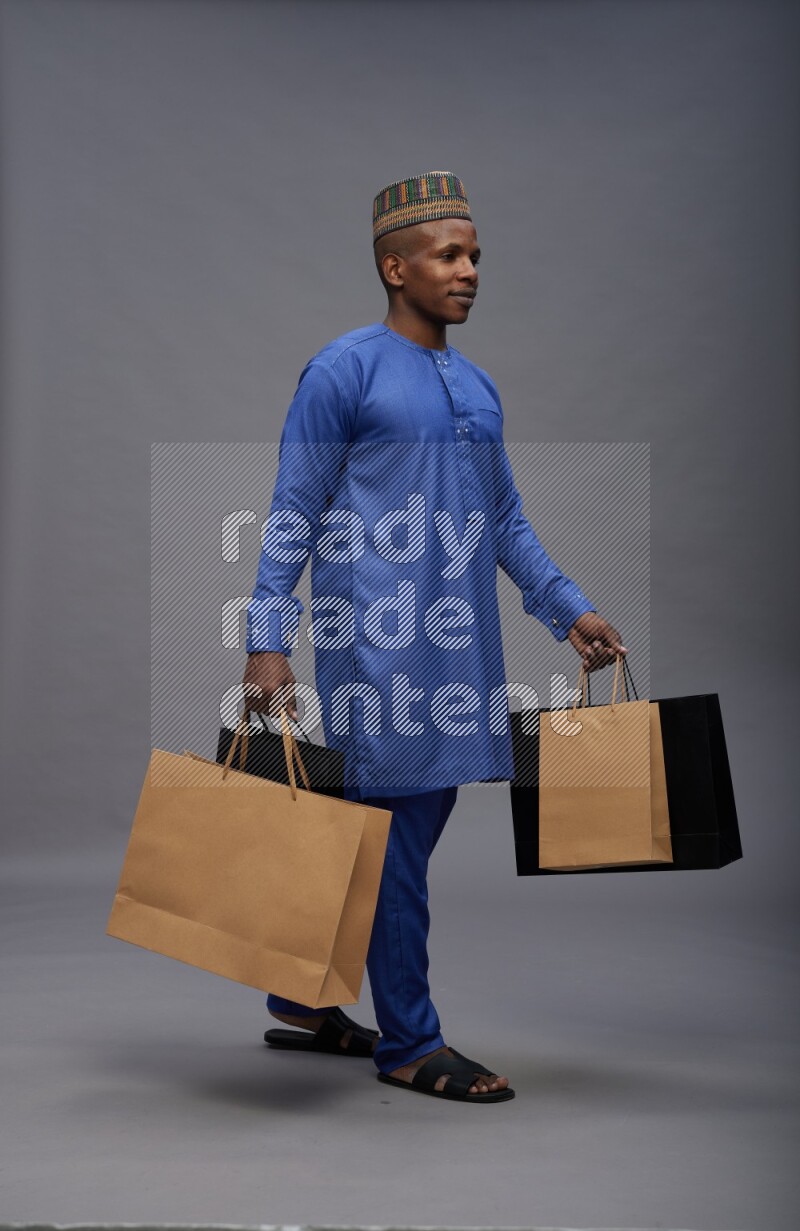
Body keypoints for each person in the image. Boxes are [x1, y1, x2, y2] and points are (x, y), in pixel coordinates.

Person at [241, 172, 626, 1104]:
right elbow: (294, 510)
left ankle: (301, 995)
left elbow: (504, 520)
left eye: (476, 256)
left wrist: (566, 607)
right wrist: (266, 635)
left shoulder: (477, 387)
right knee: (396, 835)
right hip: (376, 642)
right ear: (394, 264)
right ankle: (411, 1040)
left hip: (461, 646)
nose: (470, 272)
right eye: (450, 255)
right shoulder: (345, 369)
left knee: (396, 826)